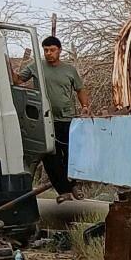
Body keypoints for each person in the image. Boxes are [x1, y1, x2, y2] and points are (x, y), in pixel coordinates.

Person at [35, 35, 90, 197]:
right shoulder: (36, 67)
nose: (48, 53)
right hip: (46, 120)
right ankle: (63, 190)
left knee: (71, 154)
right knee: (51, 157)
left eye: (52, 50)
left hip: (66, 118)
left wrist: (85, 106)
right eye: (45, 50)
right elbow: (19, 80)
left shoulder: (69, 70)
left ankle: (74, 185)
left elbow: (80, 89)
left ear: (59, 50)